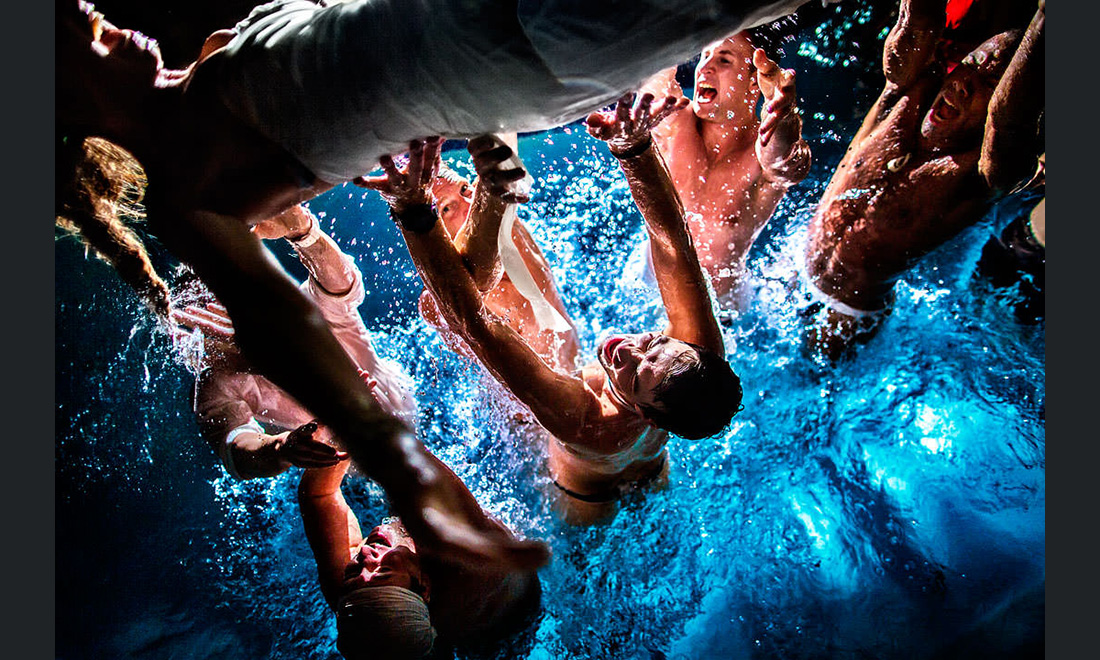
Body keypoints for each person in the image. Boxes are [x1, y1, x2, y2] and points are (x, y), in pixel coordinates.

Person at [57, 0, 813, 563]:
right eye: (80, 35)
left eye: (83, 19)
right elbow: (472, 320)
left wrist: (425, 208)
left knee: (599, 408)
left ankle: (642, 471)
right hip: (585, 466)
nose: (633, 342)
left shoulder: (215, 71)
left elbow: (651, 258)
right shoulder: (603, 404)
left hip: (630, 419)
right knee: (567, 416)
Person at [361, 96, 742, 523]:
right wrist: (633, 146)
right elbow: (673, 241)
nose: (626, 348)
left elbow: (475, 325)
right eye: (652, 342)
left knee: (590, 569)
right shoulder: (700, 361)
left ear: (647, 414)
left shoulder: (582, 421)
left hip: (585, 495)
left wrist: (412, 209)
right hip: (652, 464)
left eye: (634, 374)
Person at [801, 0, 1044, 360]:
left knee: (810, 380)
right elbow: (916, 19)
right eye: (972, 64)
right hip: (797, 262)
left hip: (848, 313)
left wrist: (1043, 19)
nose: (966, 83)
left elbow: (1009, 122)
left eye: (990, 83)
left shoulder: (979, 174)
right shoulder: (904, 93)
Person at [171, 205, 418, 480]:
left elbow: (340, 282)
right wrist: (281, 448)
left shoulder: (306, 311)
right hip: (353, 461)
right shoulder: (217, 383)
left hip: (404, 410)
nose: (217, 329)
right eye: (202, 324)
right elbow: (236, 453)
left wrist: (305, 232)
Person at [299, 458, 541, 659]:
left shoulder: (352, 595)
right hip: (510, 625)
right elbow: (406, 457)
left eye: (353, 574)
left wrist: (329, 440)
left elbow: (319, 495)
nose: (365, 556)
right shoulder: (469, 567)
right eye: (383, 572)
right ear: (423, 586)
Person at [639, 31, 811, 305]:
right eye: (704, 55)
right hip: (648, 286)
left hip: (722, 309)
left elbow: (783, 162)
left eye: (724, 60)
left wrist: (784, 116)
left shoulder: (759, 159)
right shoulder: (677, 122)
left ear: (755, 83)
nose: (705, 67)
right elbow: (652, 80)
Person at [419, 141, 581, 374]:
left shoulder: (502, 216)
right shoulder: (453, 298)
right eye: (447, 208)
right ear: (439, 235)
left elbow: (498, 169)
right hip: (535, 406)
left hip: (577, 361)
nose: (468, 204)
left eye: (464, 189)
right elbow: (442, 312)